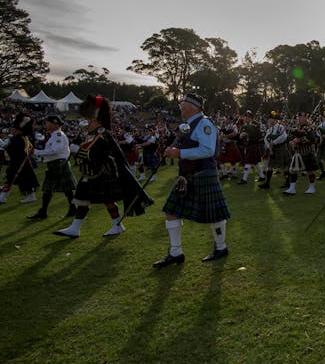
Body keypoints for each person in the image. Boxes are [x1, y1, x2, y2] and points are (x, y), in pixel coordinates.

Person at [53, 96, 152, 238]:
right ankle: (75, 228)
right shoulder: (91, 134)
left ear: (96, 117)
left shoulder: (103, 134)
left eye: (89, 119)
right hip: (89, 172)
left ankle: (117, 225)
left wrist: (78, 151)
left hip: (102, 172)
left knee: (108, 200)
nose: (87, 122)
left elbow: (98, 154)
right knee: (82, 199)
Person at [153, 93, 231, 268]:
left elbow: (208, 150)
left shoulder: (204, 123)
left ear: (192, 106)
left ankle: (221, 247)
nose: (180, 107)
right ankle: (176, 253)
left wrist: (179, 153)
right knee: (171, 210)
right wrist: (173, 148)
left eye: (183, 104)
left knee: (214, 214)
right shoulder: (187, 125)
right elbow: (187, 144)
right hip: (187, 175)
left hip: (203, 173)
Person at [27, 115, 77, 219]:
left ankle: (71, 209)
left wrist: (36, 151)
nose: (46, 124)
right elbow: (52, 153)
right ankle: (44, 211)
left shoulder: (58, 135)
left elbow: (55, 150)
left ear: (55, 124)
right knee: (54, 189)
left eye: (48, 122)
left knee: (56, 189)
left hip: (59, 164)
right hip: (56, 164)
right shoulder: (54, 135)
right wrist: (41, 157)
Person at [0, 113, 39, 205]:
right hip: (21, 162)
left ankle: (3, 197)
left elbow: (12, 150)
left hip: (18, 162)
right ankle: (31, 196)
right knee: (23, 180)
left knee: (11, 179)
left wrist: (3, 144)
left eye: (16, 129)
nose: (14, 130)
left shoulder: (18, 139)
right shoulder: (24, 138)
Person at [258, 112, 291, 190]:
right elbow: (266, 138)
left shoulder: (280, 127)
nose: (269, 121)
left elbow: (284, 137)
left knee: (285, 167)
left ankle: (287, 182)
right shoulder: (270, 129)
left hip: (281, 148)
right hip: (273, 149)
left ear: (275, 120)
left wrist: (273, 143)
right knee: (270, 166)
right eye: (269, 119)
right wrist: (269, 146)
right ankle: (267, 183)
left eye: (270, 119)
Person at [238, 110, 266, 184]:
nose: (246, 118)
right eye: (246, 117)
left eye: (248, 117)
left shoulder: (252, 125)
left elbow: (242, 135)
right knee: (255, 163)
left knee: (248, 162)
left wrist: (243, 135)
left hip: (253, 145)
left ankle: (244, 179)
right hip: (250, 145)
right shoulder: (250, 125)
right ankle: (262, 176)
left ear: (251, 118)